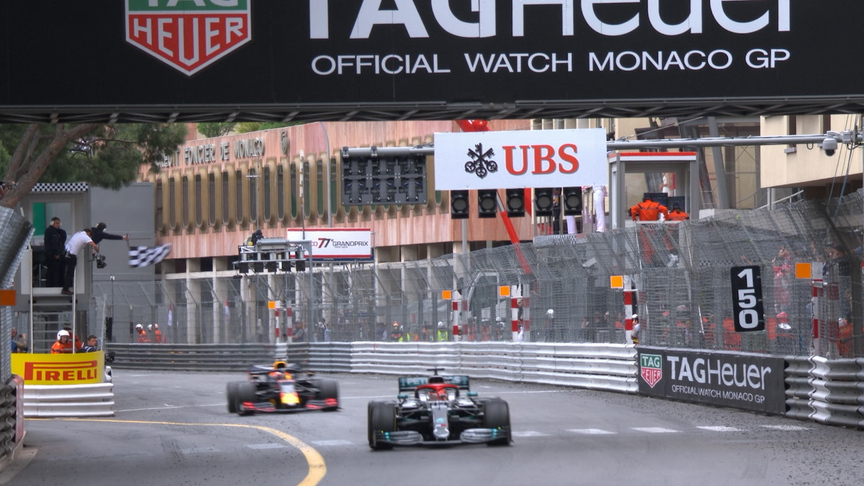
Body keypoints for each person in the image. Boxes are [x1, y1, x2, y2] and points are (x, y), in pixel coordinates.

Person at [62, 228, 98, 295]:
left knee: (66, 272)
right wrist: (97, 251)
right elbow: (94, 245)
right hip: (71, 255)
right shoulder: (85, 237)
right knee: (70, 273)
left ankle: (64, 286)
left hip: (65, 252)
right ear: (89, 233)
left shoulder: (78, 233)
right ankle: (65, 289)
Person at [44, 217, 67, 287]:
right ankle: (52, 284)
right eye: (56, 223)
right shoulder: (49, 231)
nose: (58, 225)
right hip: (51, 254)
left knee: (60, 270)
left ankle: (59, 284)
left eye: (59, 223)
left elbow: (61, 242)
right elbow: (52, 243)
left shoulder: (61, 232)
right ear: (52, 223)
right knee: (53, 270)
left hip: (59, 253)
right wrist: (56, 253)